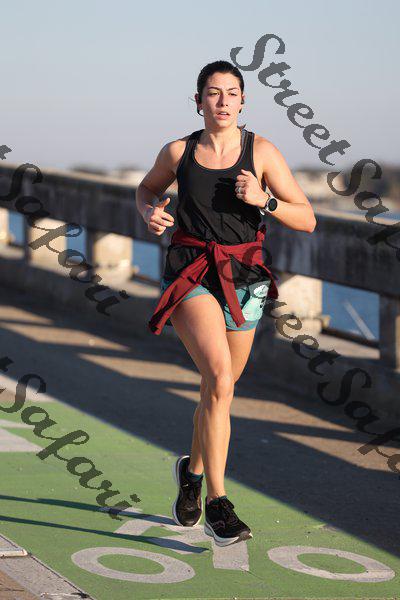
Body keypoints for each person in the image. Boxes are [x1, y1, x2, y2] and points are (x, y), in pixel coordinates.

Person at [136, 60, 316, 547]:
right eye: (213, 93)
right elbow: (147, 188)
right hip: (192, 273)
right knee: (218, 379)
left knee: (219, 392)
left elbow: (307, 219)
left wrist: (265, 200)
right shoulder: (179, 151)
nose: (222, 101)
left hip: (245, 281)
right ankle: (219, 504)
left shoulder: (263, 152)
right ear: (198, 101)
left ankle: (191, 474)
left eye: (231, 93)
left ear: (242, 101)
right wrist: (149, 210)